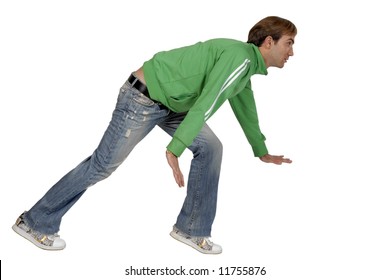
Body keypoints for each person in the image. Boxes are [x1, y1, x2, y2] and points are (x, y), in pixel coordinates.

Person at [12, 16, 297, 254]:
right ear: (268, 42)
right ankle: (34, 222)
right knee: (102, 166)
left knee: (211, 147)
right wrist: (175, 148)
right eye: (289, 43)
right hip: (142, 99)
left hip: (172, 103)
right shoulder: (239, 58)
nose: (292, 52)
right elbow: (207, 102)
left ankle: (191, 228)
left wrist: (260, 149)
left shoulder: (245, 65)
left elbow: (244, 104)